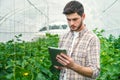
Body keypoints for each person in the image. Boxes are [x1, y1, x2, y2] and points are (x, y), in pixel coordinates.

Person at [55, 0, 100, 80]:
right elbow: (61, 67)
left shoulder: (92, 39)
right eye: (68, 20)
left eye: (75, 19)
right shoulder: (63, 37)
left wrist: (73, 66)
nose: (71, 23)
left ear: (83, 16)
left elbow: (95, 72)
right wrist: (59, 65)